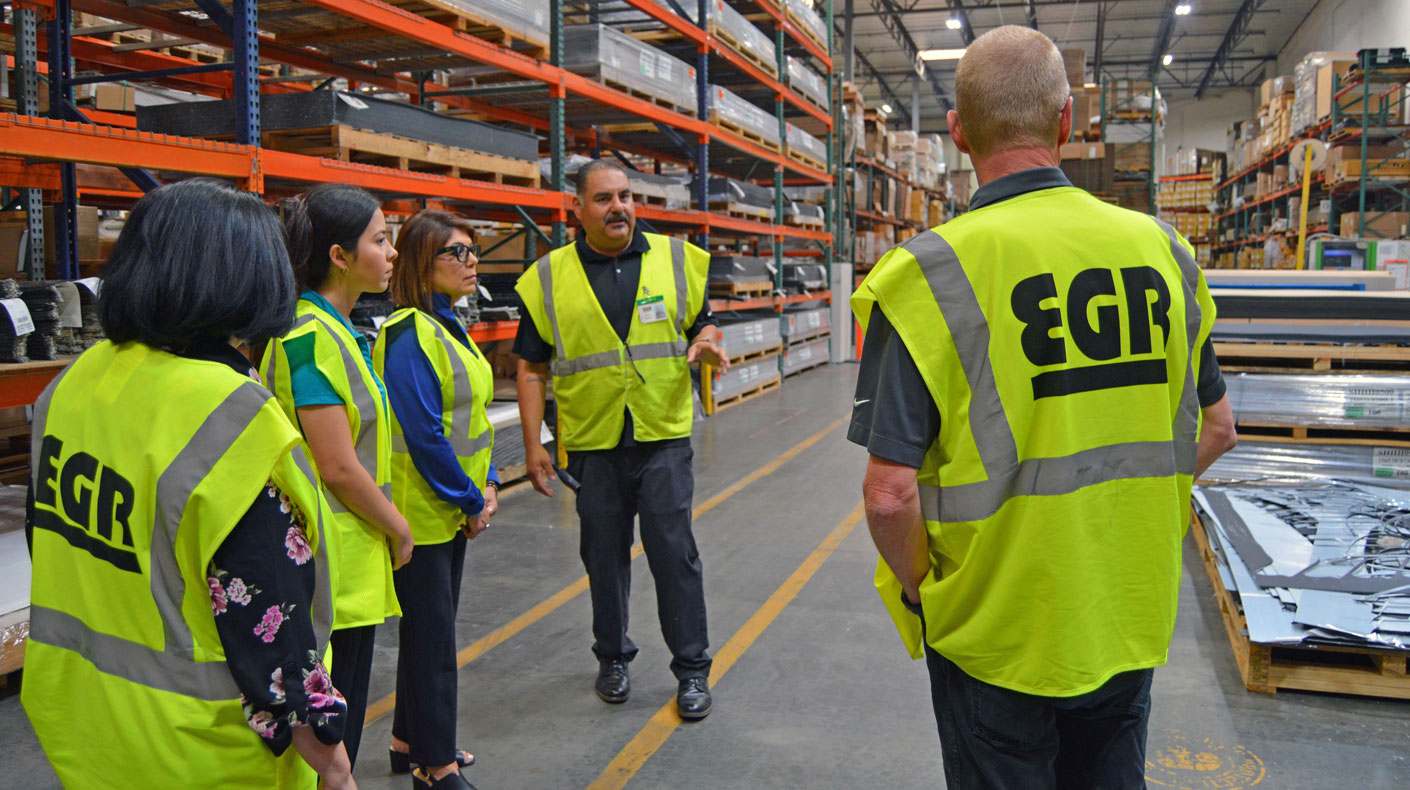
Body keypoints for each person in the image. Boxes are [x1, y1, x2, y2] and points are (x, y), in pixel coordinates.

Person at [850, 26, 1238, 790]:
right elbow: (1218, 427)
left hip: (995, 629)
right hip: (1125, 612)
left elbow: (889, 495)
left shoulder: (925, 275)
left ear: (958, 133)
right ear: (1068, 122)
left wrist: (924, 588)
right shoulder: (1164, 253)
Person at [23, 178, 355, 789]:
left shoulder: (77, 380)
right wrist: (330, 759)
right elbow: (266, 619)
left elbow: (50, 535)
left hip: (85, 722)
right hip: (199, 750)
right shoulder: (226, 411)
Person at [513, 159, 728, 719]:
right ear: (577, 210)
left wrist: (706, 340)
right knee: (603, 559)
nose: (620, 207)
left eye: (627, 196)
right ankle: (612, 657)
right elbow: (532, 368)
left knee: (675, 555)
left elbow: (700, 322)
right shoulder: (548, 277)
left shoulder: (677, 260)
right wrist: (535, 444)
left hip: (662, 435)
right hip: (593, 441)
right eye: (605, 198)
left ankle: (693, 671)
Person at [260, 183, 407, 768]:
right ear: (339, 256)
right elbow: (338, 465)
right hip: (329, 565)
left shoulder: (336, 329)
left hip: (346, 557)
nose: (392, 252)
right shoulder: (307, 337)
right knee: (331, 737)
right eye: (380, 239)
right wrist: (399, 527)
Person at [373, 210, 500, 790]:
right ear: (423, 263)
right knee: (433, 642)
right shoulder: (405, 334)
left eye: (474, 251)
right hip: (421, 514)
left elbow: (470, 421)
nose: (471, 262)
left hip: (452, 509)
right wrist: (471, 499)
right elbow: (423, 434)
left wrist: (488, 483)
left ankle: (407, 741)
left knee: (431, 629)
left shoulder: (450, 326)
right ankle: (436, 764)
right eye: (458, 253)